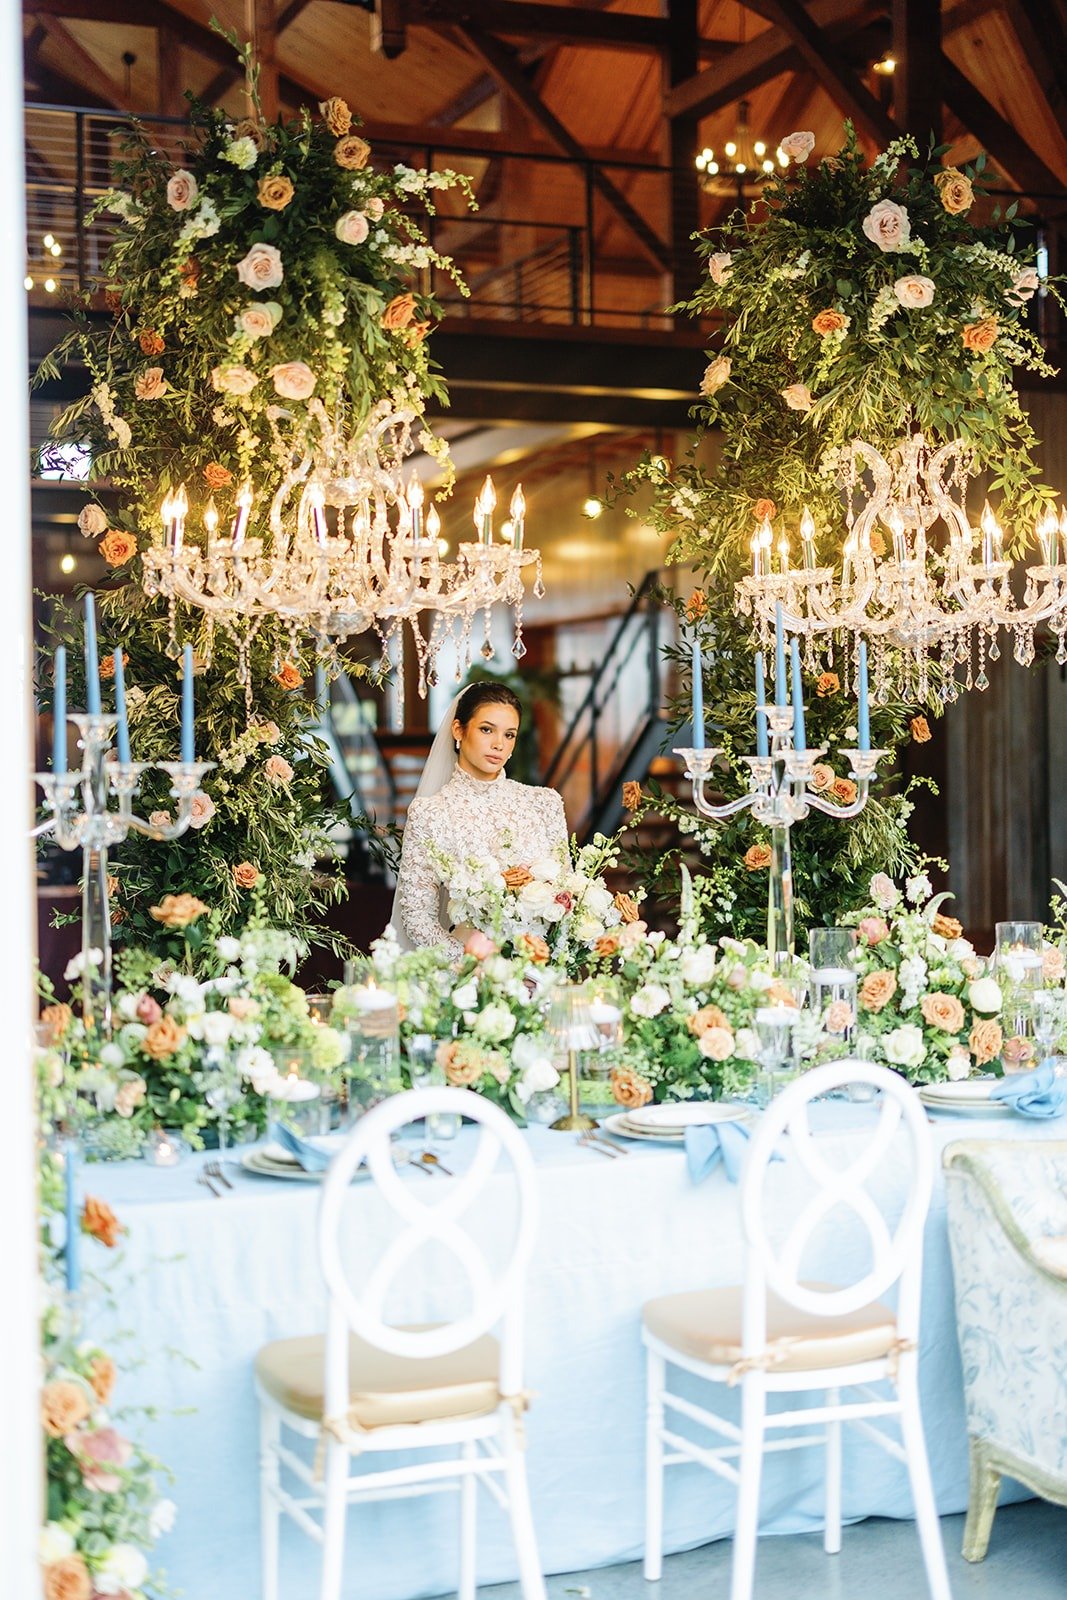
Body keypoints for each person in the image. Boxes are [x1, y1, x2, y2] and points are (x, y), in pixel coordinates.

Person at [393, 682, 568, 957]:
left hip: (541, 970)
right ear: (458, 730)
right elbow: (418, 917)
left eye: (509, 735)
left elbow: (566, 894)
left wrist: (550, 963)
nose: (499, 744)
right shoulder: (430, 813)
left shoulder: (545, 804)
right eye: (487, 730)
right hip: (470, 976)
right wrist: (471, 966)